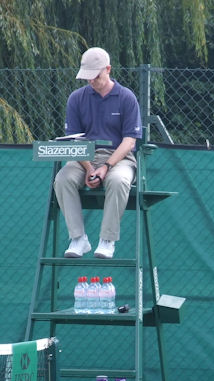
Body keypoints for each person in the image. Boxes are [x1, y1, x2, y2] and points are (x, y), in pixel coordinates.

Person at [54, 47, 142, 260]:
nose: (91, 81)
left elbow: (129, 141)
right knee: (62, 179)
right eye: (87, 77)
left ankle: (107, 241)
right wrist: (89, 168)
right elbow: (74, 141)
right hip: (84, 158)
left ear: (108, 70)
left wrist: (106, 167)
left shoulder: (127, 98)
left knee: (120, 181)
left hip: (119, 159)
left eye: (96, 76)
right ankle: (78, 239)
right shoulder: (76, 98)